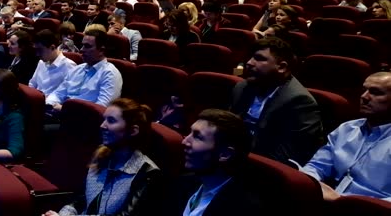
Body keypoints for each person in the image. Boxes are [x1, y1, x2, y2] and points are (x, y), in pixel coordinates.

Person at [45, 99, 163, 216]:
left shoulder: (147, 173)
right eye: (104, 119)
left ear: (132, 131)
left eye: (111, 121)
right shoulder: (100, 155)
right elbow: (81, 199)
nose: (102, 126)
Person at [230, 37, 323, 165]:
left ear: (282, 67)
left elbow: (286, 158)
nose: (249, 63)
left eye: (259, 58)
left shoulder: (299, 102)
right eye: (251, 57)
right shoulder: (242, 88)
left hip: (262, 170)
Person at [300, 72, 391, 202]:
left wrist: (351, 204)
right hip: (328, 202)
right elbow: (317, 166)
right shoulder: (346, 129)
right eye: (364, 90)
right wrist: (311, 184)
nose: (364, 97)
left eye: (376, 92)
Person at [163, 109, 262, 216]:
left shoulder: (243, 209)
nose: (184, 141)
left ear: (225, 154)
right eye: (189, 133)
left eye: (197, 137)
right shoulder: (182, 183)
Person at [46, 28, 123, 111]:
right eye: (82, 45)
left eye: (87, 46)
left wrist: (64, 109)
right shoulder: (77, 69)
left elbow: (101, 108)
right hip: (60, 115)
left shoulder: (110, 74)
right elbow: (58, 94)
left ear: (101, 50)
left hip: (86, 121)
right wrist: (50, 104)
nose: (82, 50)